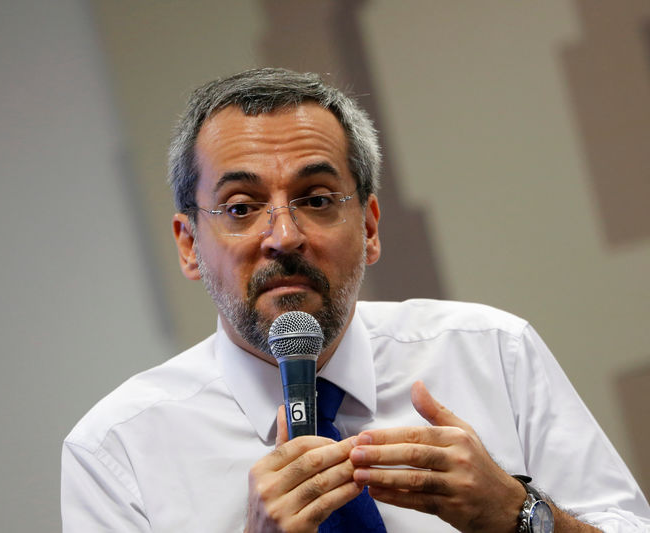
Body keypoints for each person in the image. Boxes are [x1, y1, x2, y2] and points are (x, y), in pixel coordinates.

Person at [60, 68, 650, 532]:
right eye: (241, 208)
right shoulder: (118, 452)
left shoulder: (494, 353)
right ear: (190, 246)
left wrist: (518, 516)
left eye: (316, 199)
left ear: (368, 227)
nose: (284, 235)